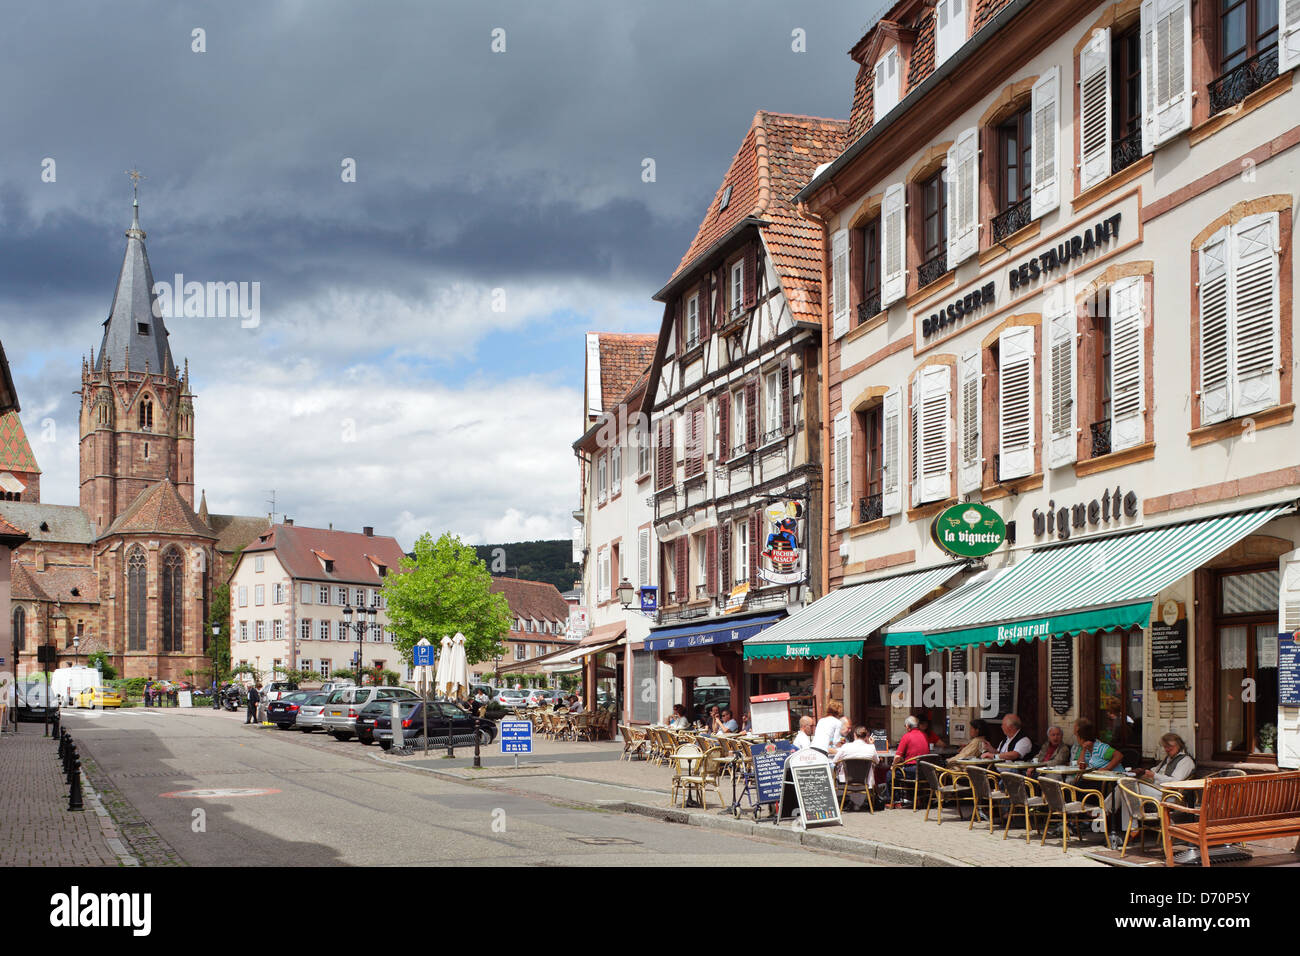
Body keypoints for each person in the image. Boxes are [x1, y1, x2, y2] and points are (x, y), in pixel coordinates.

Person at [1121, 732, 1195, 829]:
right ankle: (1130, 828)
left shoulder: (1186, 761)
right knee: (1124, 786)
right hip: (1157, 789)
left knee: (1127, 787)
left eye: (1170, 747)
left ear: (1178, 745)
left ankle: (1108, 812)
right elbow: (1155, 770)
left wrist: (1155, 776)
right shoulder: (1169, 758)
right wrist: (1142, 771)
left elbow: (1176, 781)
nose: (1167, 749)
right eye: (1165, 747)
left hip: (1168, 794)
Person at [833, 725, 880, 805]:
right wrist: (871, 744)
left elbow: (835, 760)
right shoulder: (871, 748)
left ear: (854, 735)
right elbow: (877, 761)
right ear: (866, 737)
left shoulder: (846, 746)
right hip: (865, 779)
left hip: (848, 778)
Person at [893, 715, 930, 802]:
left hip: (913, 770)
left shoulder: (906, 736)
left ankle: (895, 800)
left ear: (908, 726)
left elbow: (897, 757)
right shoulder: (924, 735)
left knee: (891, 774)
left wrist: (893, 765)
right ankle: (915, 799)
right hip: (925, 770)